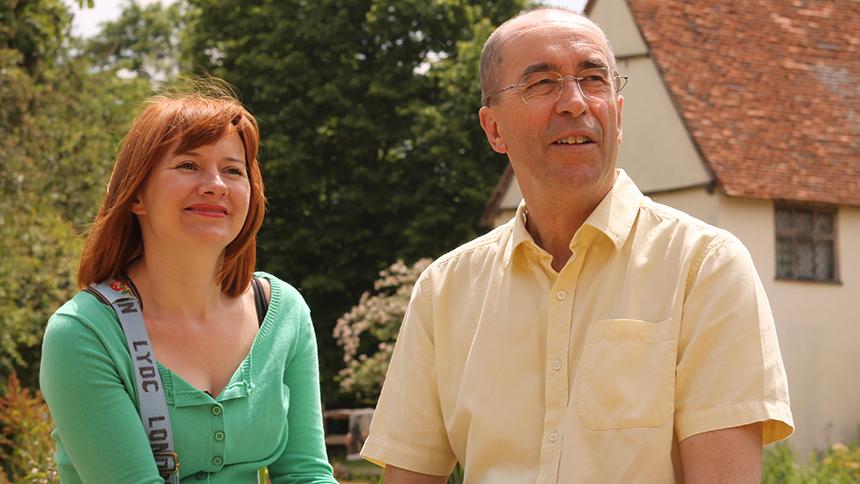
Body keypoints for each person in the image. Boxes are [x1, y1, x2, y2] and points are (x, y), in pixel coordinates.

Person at [360, 8, 793, 483]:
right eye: (542, 83)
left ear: (619, 115)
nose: (574, 102)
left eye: (593, 79)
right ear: (494, 129)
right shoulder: (444, 291)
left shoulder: (704, 267)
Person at [40, 80, 337, 483]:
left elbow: (305, 474)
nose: (215, 184)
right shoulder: (82, 334)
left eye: (233, 170)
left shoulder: (283, 312)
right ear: (136, 196)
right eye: (188, 165)